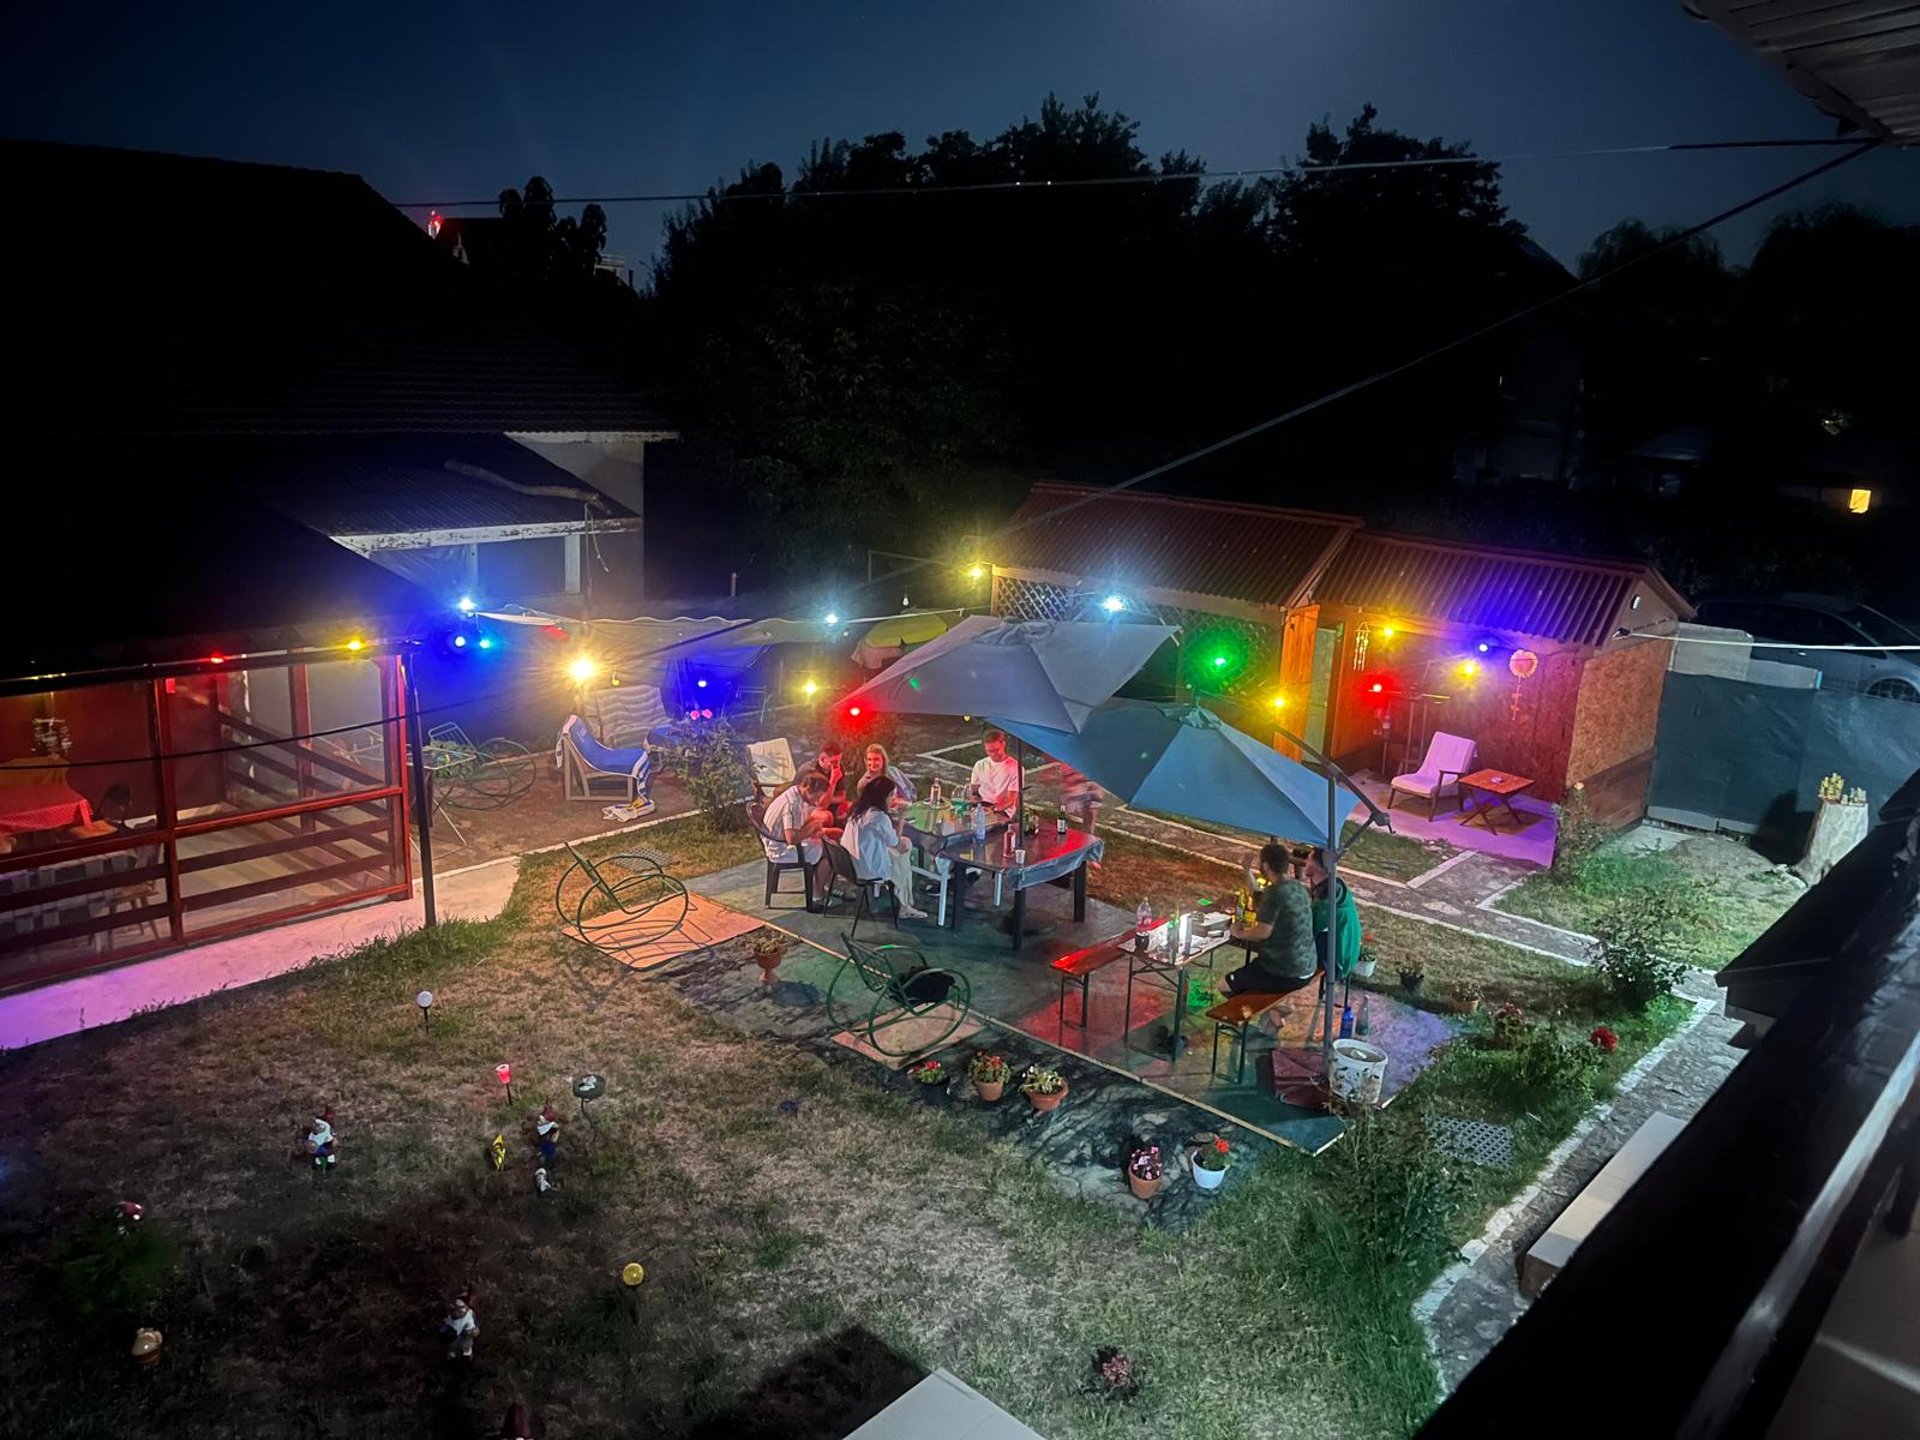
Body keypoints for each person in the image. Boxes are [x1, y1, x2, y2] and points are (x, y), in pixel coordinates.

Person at [1224, 842, 1318, 997]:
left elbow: (1262, 933)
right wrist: (1247, 871)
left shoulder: (1275, 893)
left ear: (1266, 866)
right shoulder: (1297, 888)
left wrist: (1238, 933)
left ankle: (1244, 1013)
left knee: (1225, 985)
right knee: (1251, 974)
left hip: (1284, 971)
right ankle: (1274, 1014)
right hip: (1307, 966)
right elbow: (1258, 900)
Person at [839, 775, 929, 920]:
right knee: (904, 850)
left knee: (901, 851)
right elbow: (896, 843)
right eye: (891, 795)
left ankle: (904, 901)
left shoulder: (857, 810)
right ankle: (905, 904)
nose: (892, 799)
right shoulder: (879, 817)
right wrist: (901, 818)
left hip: (851, 864)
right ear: (883, 797)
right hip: (866, 869)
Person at [760, 773, 835, 908]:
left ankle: (827, 884)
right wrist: (812, 828)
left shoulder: (795, 793)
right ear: (807, 789)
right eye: (817, 797)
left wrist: (814, 824)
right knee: (829, 854)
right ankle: (817, 895)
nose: (818, 801)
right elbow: (791, 838)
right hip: (781, 849)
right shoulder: (793, 803)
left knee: (825, 843)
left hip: (776, 842)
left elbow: (798, 822)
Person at [1302, 847, 1362, 980]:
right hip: (1346, 959)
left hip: (1333, 967)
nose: (1305, 861)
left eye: (1308, 858)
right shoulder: (1338, 890)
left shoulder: (1325, 904)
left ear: (1314, 866)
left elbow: (1304, 933)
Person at [968, 730, 1021, 818]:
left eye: (996, 750)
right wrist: (973, 796)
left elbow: (1011, 800)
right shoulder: (980, 764)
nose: (993, 754)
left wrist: (992, 809)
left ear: (1003, 744)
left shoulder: (1015, 767)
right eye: (989, 751)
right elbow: (974, 790)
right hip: (982, 805)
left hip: (1002, 810)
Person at [799, 741, 848, 819]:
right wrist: (833, 781)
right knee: (826, 817)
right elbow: (821, 806)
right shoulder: (811, 772)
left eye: (839, 761)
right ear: (822, 759)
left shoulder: (837, 767)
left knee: (851, 808)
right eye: (833, 762)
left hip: (825, 804)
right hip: (804, 805)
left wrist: (828, 799)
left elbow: (842, 796)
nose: (837, 765)